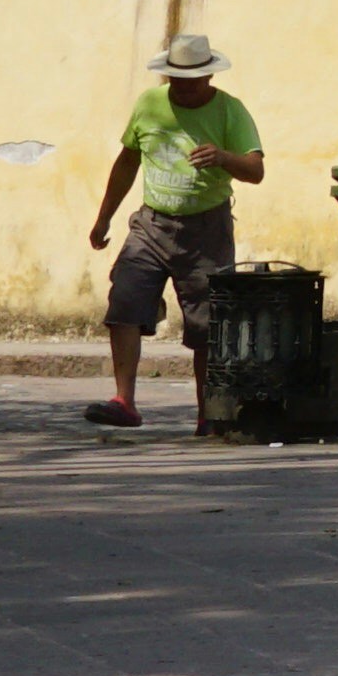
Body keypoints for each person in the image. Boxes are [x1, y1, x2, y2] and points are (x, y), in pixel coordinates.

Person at [85, 30, 263, 429]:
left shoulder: (231, 111)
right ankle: (124, 401)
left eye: (191, 82)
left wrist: (223, 157)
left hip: (207, 231)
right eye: (175, 81)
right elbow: (128, 160)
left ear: (209, 78)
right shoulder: (149, 105)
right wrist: (104, 217)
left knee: (206, 325)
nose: (182, 89)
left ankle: (208, 414)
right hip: (151, 224)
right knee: (125, 302)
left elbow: (256, 170)